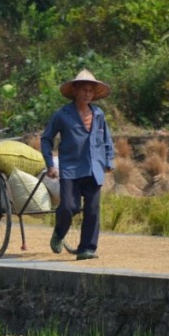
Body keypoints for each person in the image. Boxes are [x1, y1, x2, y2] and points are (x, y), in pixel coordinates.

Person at [40, 69, 115, 260]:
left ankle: (86, 249)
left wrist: (108, 160)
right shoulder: (62, 115)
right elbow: (46, 139)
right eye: (84, 90)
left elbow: (106, 140)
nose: (87, 94)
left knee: (92, 209)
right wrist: (50, 164)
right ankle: (59, 233)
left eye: (90, 91)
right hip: (71, 168)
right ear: (75, 91)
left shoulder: (98, 114)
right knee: (69, 206)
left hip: (94, 168)